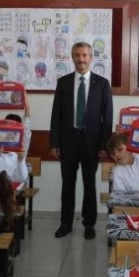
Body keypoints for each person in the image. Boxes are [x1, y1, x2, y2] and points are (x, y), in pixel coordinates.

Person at [50, 42, 113, 240]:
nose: (81, 59)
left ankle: (89, 224)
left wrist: (104, 145)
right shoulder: (64, 82)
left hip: (92, 143)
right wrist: (54, 143)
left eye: (84, 55)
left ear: (91, 57)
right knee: (67, 184)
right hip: (68, 142)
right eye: (77, 55)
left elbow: (107, 118)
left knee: (89, 185)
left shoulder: (102, 84)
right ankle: (65, 223)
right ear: (72, 57)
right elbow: (56, 114)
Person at [0, 98, 32, 184]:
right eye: (8, 129)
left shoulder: (21, 146)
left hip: (13, 186)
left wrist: (27, 106)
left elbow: (26, 129)